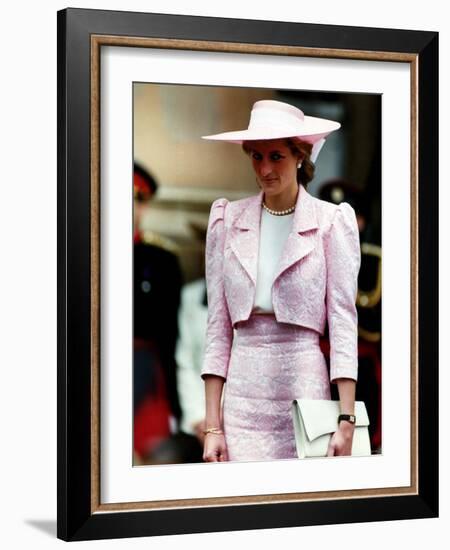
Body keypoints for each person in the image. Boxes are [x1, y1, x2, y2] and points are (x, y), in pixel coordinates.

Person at [199, 99, 361, 462]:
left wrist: (346, 418)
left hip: (303, 390)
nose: (264, 168)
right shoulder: (227, 219)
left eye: (276, 156)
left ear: (300, 156)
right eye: (256, 156)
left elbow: (342, 321)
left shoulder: (331, 222)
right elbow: (218, 327)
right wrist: (213, 427)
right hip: (241, 398)